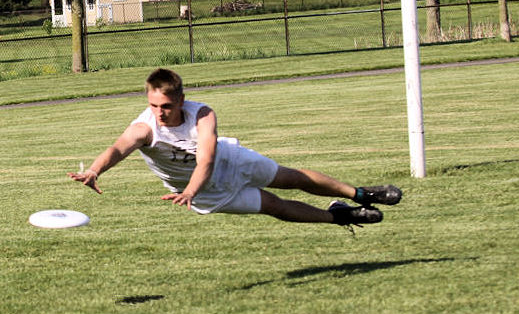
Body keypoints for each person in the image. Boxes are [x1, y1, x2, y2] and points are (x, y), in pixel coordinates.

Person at [68, 68, 402, 227]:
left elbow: (206, 160)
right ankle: (339, 216)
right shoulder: (144, 129)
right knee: (274, 205)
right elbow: (117, 148)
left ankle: (360, 193)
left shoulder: (202, 114)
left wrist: (189, 191)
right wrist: (95, 170)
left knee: (291, 178)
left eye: (166, 106)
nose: (160, 113)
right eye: (153, 105)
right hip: (204, 193)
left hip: (227, 163)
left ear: (181, 100)